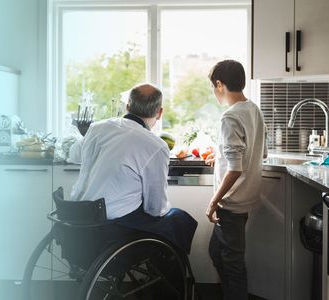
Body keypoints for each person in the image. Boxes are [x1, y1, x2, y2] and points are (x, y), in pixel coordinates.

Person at [69, 83, 197, 254]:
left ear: (128, 106)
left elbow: (74, 154)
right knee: (178, 218)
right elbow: (155, 207)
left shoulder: (97, 128)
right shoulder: (155, 146)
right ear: (159, 113)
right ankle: (173, 278)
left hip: (78, 217)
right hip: (113, 228)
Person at [205, 60, 267, 300]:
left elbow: (235, 168)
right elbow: (259, 152)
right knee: (217, 252)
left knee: (232, 263)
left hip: (230, 203)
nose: (214, 92)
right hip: (245, 199)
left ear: (220, 84)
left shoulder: (229, 117)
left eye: (213, 86)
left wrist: (213, 201)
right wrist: (219, 155)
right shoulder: (253, 109)